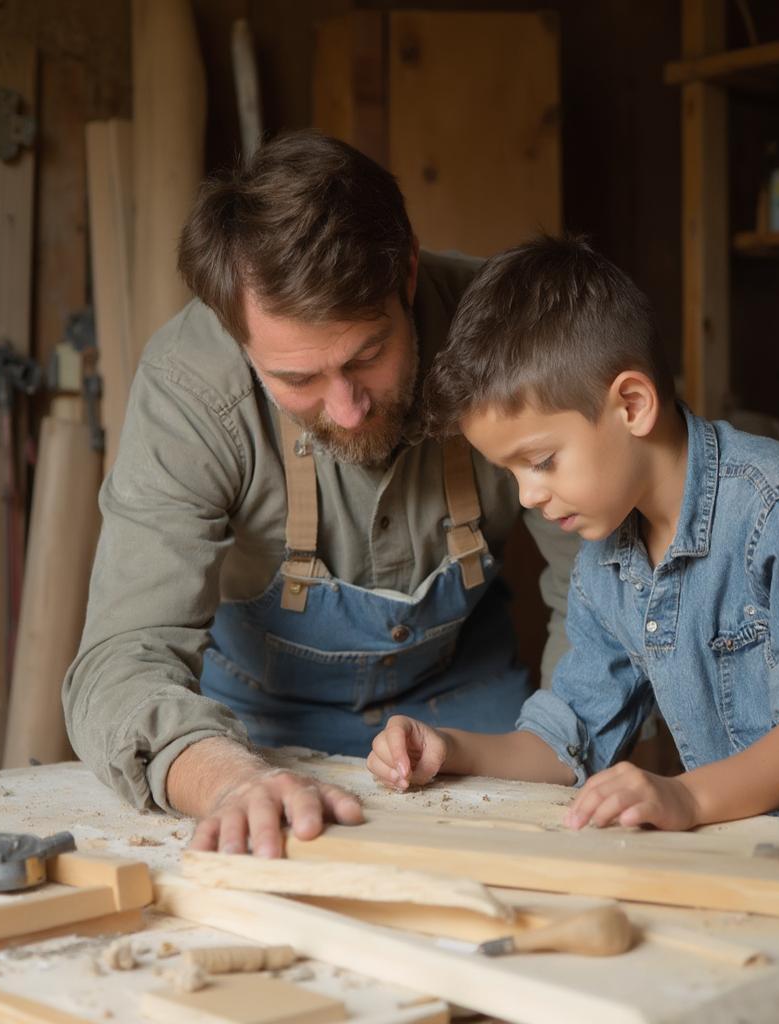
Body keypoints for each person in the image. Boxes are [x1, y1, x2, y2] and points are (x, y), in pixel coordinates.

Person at [62, 132, 579, 857]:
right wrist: (223, 779)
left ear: (406, 274)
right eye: (298, 380)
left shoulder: (510, 336)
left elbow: (604, 585)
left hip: (472, 716)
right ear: (236, 334)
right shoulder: (189, 386)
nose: (346, 410)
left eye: (367, 356)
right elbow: (119, 658)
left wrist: (562, 743)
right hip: (259, 725)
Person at [366, 235, 779, 829]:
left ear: (632, 404)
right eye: (510, 473)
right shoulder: (604, 562)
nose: (528, 495)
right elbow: (567, 739)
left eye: (542, 461)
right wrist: (449, 748)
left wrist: (683, 798)